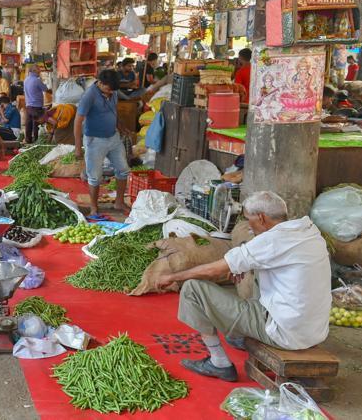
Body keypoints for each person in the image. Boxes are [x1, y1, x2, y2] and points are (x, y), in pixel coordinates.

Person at [156, 192, 330, 382]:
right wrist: (242, 265)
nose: (248, 225)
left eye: (249, 219)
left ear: (261, 218)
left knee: (192, 288)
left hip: (285, 333)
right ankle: (242, 333)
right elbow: (264, 254)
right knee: (256, 274)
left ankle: (218, 362)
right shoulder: (308, 232)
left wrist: (173, 276)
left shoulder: (271, 241)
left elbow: (212, 271)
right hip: (314, 331)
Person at [74, 70, 130, 216]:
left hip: (113, 137)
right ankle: (94, 207)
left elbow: (114, 112)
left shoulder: (113, 92)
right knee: (94, 176)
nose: (111, 92)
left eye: (113, 90)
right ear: (100, 83)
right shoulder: (89, 95)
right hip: (94, 141)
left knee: (123, 169)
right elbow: (78, 121)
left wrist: (120, 127)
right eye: (108, 89)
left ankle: (119, 202)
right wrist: (78, 147)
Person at [23, 63, 50, 143]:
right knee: (36, 123)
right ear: (35, 71)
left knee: (29, 124)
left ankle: (28, 140)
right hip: (36, 106)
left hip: (28, 105)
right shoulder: (37, 80)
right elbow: (45, 88)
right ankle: (36, 140)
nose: (39, 73)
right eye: (39, 71)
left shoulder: (26, 80)